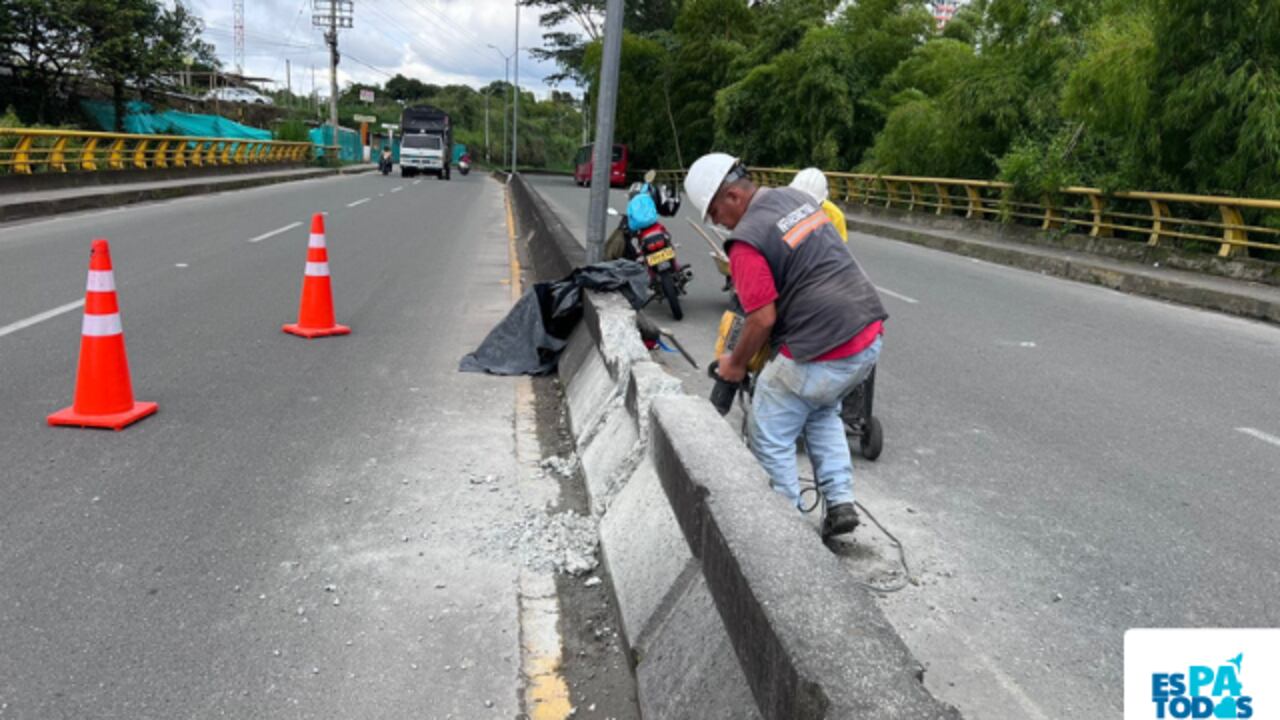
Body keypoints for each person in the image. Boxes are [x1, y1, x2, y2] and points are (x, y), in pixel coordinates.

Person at [686, 153, 887, 538]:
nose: (715, 222)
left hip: (821, 347)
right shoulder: (796, 200)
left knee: (770, 427)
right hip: (867, 335)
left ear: (731, 196)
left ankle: (787, 535)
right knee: (822, 409)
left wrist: (735, 364)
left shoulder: (745, 241)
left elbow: (761, 318)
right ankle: (840, 502)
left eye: (713, 211)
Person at [790, 168, 848, 242]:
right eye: (799, 200)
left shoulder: (835, 216)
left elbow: (838, 248)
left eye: (811, 203)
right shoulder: (784, 208)